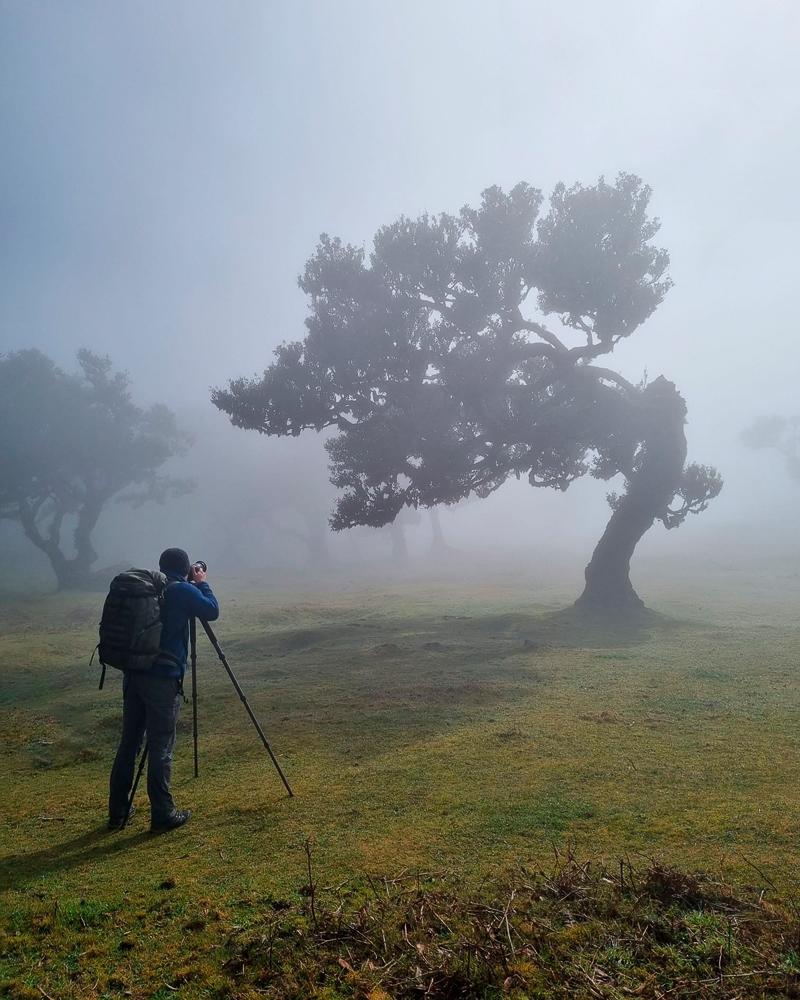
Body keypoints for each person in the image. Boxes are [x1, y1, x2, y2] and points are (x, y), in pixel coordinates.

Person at [108, 547, 219, 833]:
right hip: (162, 678)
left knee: (129, 743)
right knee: (161, 744)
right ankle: (163, 813)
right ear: (186, 569)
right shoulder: (181, 590)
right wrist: (202, 581)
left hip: (133, 673)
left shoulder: (150, 589)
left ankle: (118, 811)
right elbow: (211, 610)